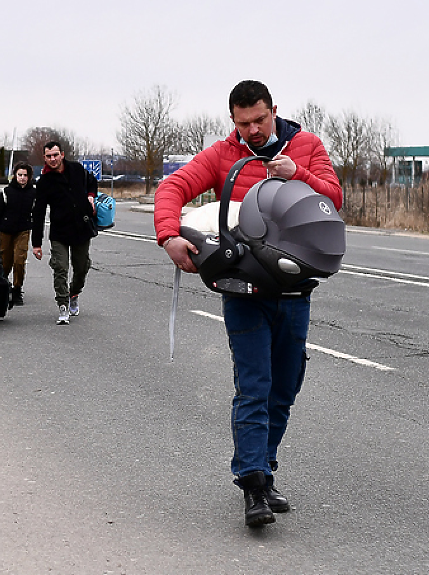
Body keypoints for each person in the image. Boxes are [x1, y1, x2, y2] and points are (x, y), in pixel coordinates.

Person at [154, 80, 343, 528]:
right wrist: (169, 235)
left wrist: (297, 174)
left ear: (273, 110)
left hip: (295, 291)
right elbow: (172, 188)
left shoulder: (307, 146)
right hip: (244, 292)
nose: (253, 130)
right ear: (233, 120)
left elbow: (333, 199)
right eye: (243, 123)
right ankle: (253, 483)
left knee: (285, 387)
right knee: (254, 386)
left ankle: (266, 466)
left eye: (260, 120)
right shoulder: (224, 155)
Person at [31, 141, 98, 325]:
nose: (52, 159)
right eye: (48, 156)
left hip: (81, 229)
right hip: (59, 232)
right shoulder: (44, 182)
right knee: (60, 267)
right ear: (44, 158)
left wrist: (91, 196)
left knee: (82, 266)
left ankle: (73, 293)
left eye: (55, 155)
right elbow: (38, 213)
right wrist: (36, 243)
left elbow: (92, 181)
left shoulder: (76, 169)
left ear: (62, 154)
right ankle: (62, 304)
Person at [0, 161, 35, 306]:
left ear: (29, 177)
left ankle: (17, 289)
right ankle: (2, 286)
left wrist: (37, 239)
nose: (22, 178)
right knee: (5, 262)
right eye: (20, 175)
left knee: (19, 260)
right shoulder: (6, 192)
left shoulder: (33, 193)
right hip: (6, 231)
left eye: (25, 175)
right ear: (15, 176)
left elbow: (37, 214)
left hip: (23, 230)